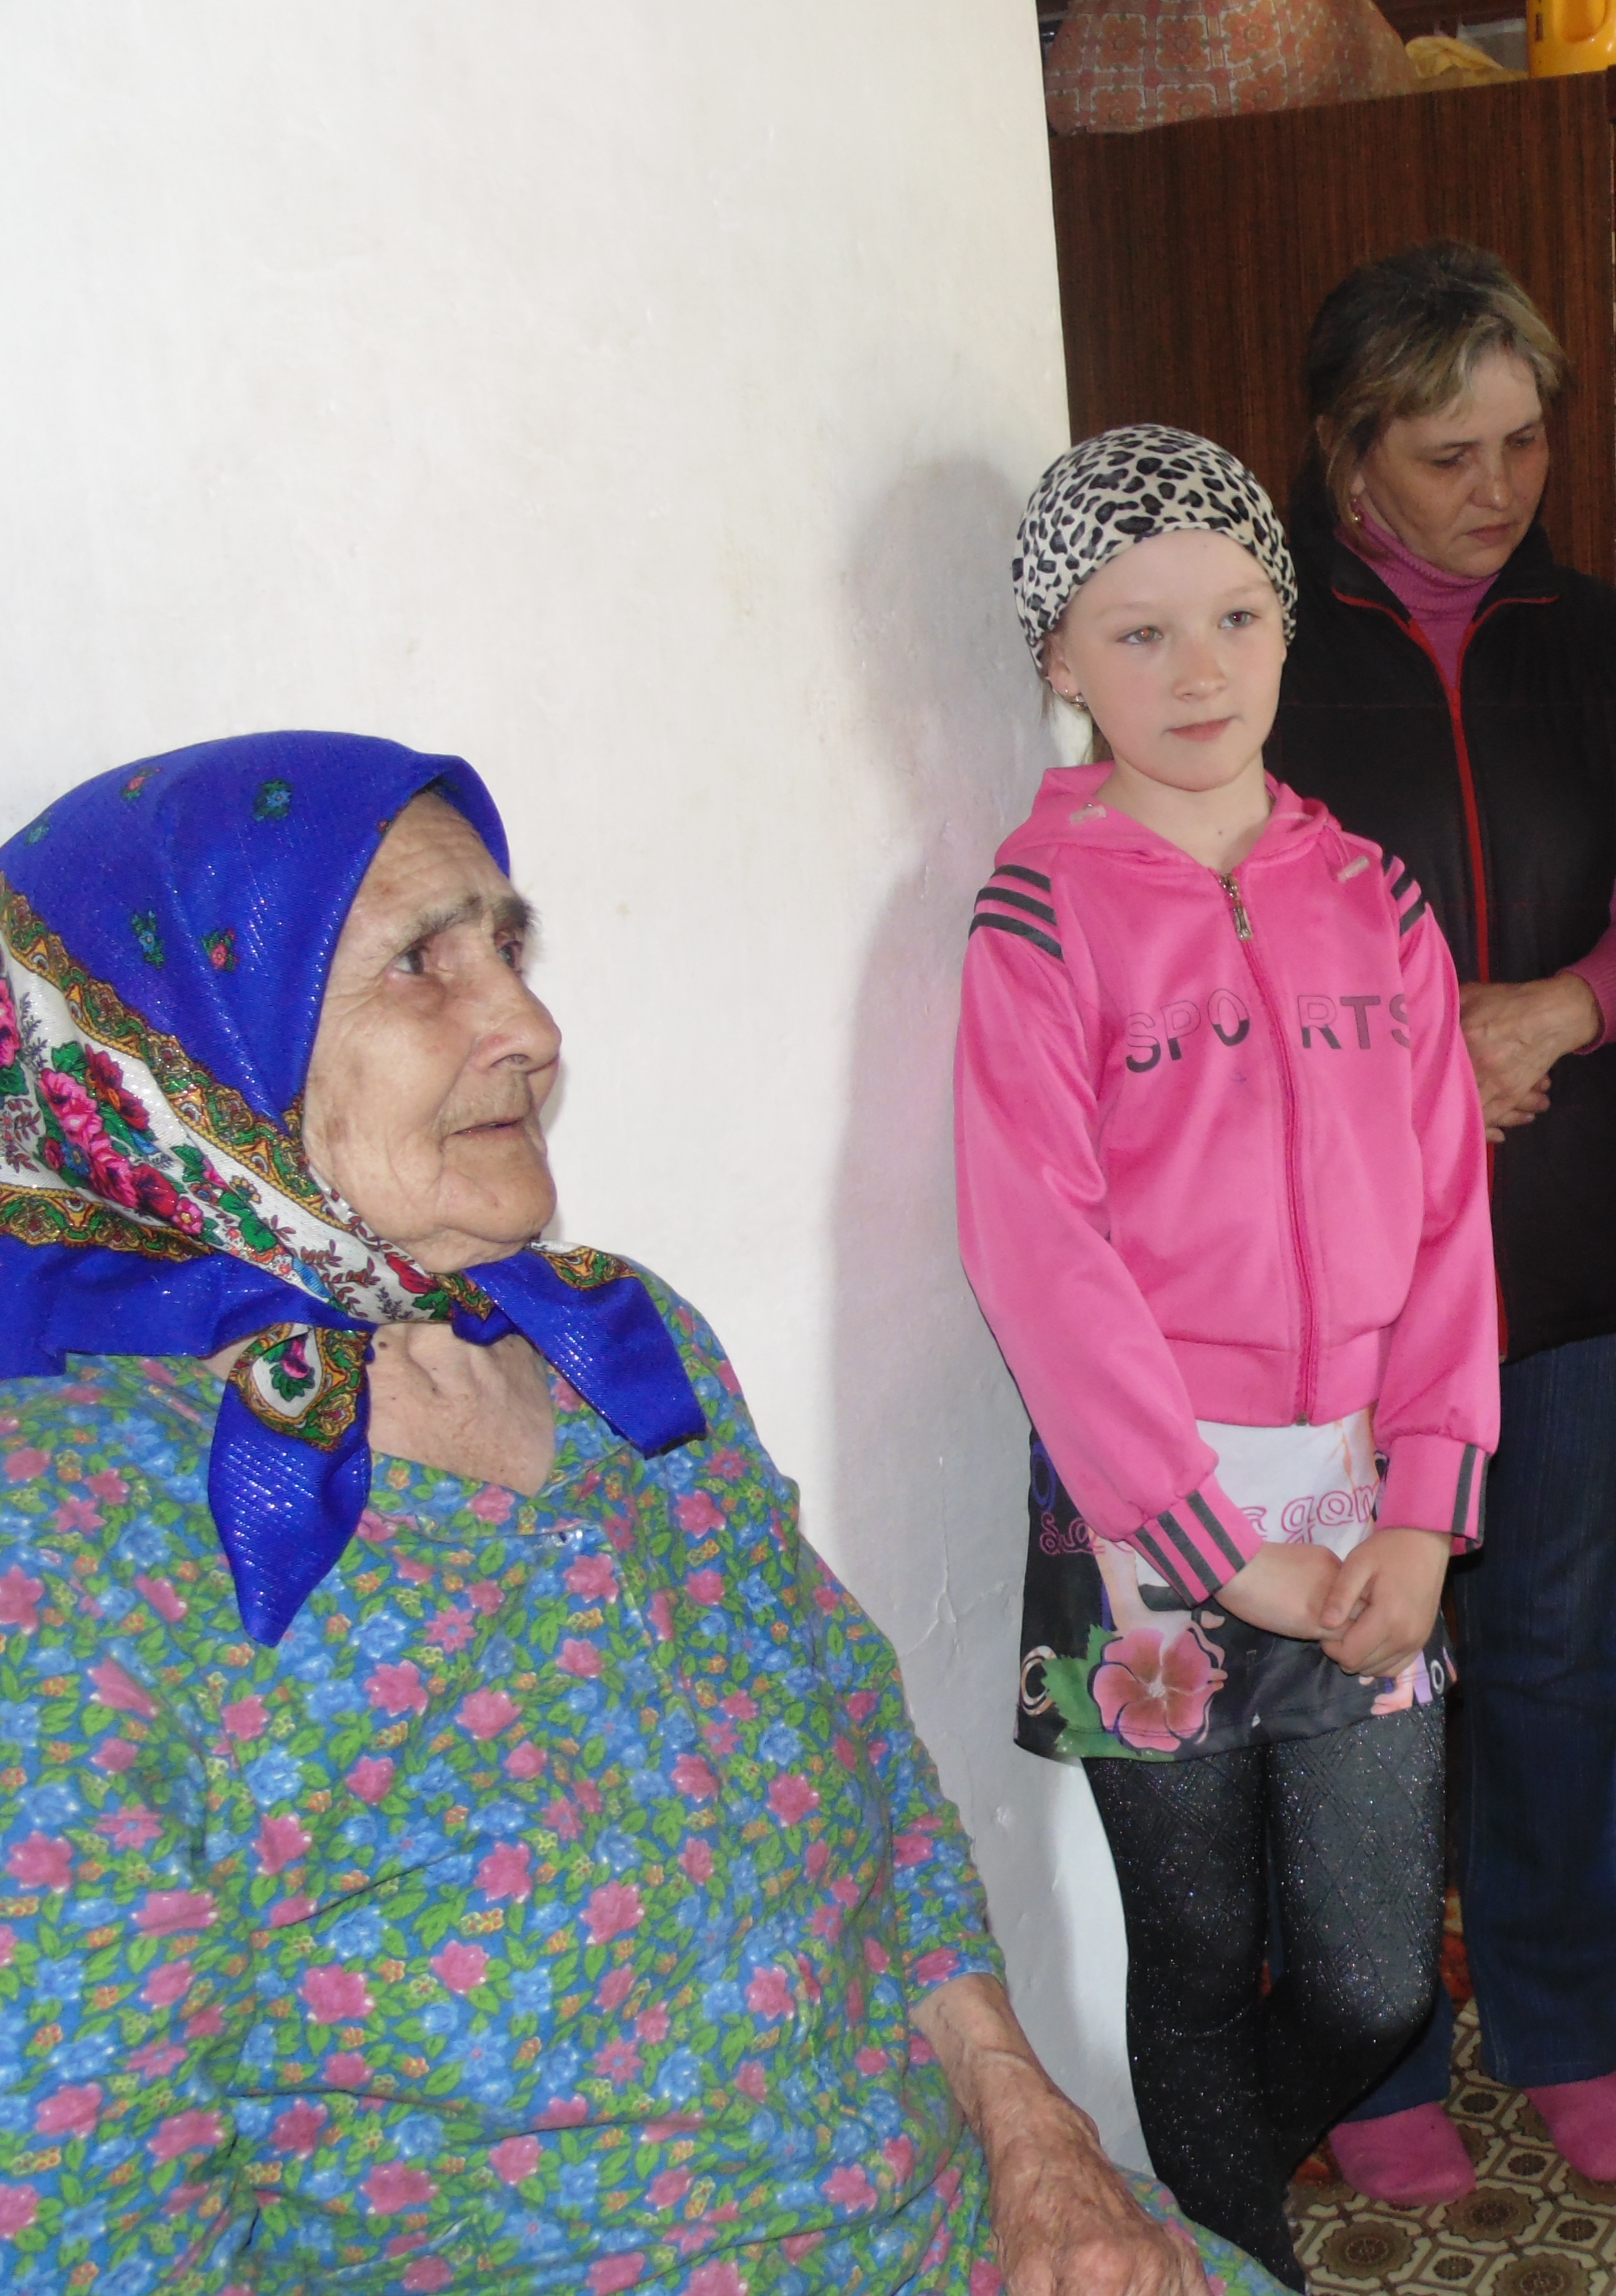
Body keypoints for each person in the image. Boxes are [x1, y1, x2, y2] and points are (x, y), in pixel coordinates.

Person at [0, 731, 1257, 2296]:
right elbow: (95, 2225)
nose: (531, 1027)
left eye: (508, 946)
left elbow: (865, 1753)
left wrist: (1038, 2137)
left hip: (963, 2217)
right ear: (182, 1059)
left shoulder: (618, 1350)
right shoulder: (75, 1531)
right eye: (418, 963)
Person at [957, 427, 1500, 2290]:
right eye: (1138, 634)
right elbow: (1043, 1262)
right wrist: (1211, 1545)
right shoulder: (1039, 915)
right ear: (1059, 659)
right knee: (1192, 1967)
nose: (1198, 673)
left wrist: (1425, 1508)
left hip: (1364, 1500)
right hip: (1146, 1533)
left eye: (1237, 619)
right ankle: (1237, 2259)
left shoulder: (1381, 898)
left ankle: (1183, 2217)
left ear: (1286, 626)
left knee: (1366, 1979)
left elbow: (1452, 1222)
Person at [1261, 240, 1616, 2206]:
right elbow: (1212, 921)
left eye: (1524, 443)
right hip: (1342, 1251)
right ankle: (1375, 2054)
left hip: (1563, 1217)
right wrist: (1414, 1051)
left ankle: (1562, 2023)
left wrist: (1553, 1015)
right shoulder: (1261, 634)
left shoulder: (1597, 636)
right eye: (1449, 453)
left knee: (1545, 1642)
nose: (1498, 488)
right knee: (1364, 1655)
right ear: (1347, 451)